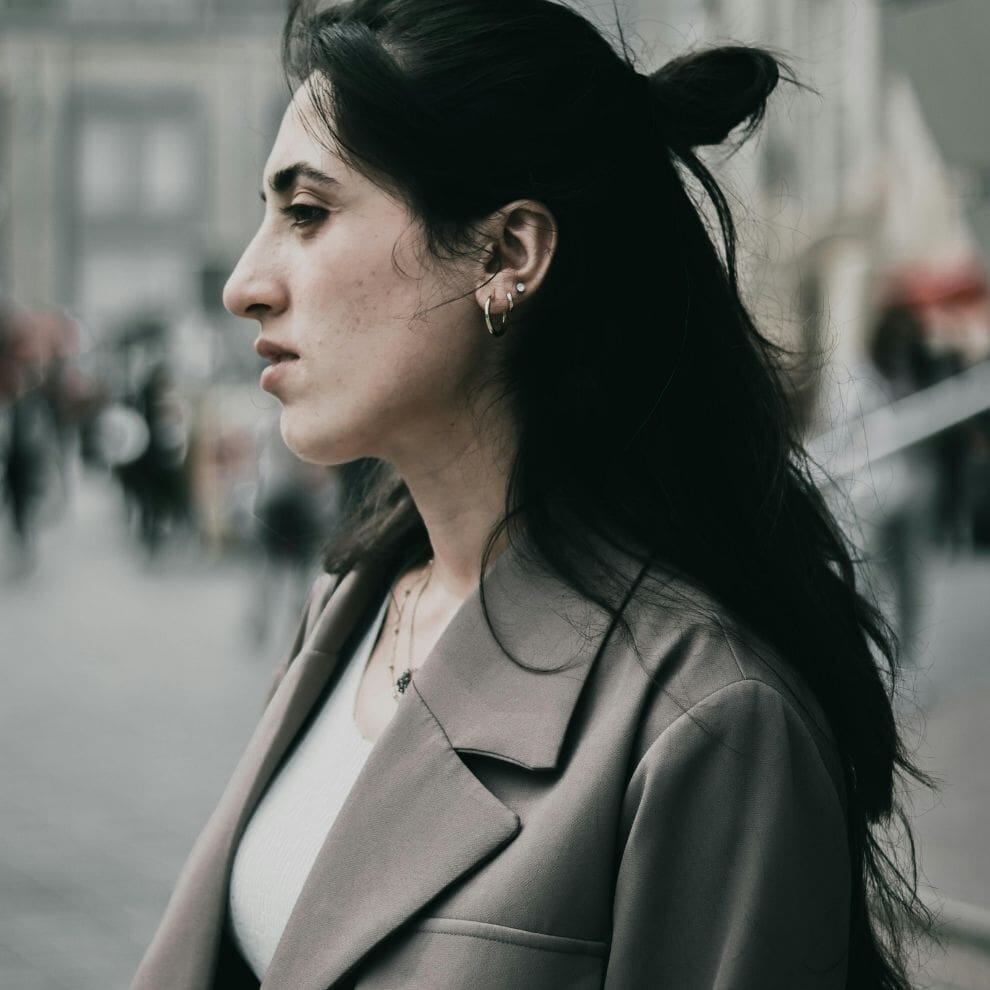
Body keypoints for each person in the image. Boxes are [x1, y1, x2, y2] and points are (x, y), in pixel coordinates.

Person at [132, 1, 932, 987]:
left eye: (307, 212)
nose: (245, 283)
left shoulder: (708, 720)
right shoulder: (359, 602)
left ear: (507, 255)